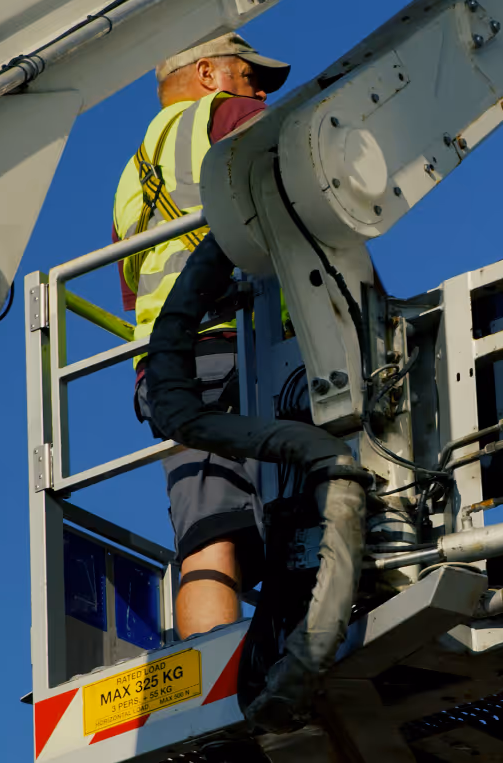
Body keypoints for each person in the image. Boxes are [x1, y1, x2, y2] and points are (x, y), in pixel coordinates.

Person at [112, 33, 290, 641]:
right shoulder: (224, 117)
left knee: (207, 536)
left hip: (170, 378)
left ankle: (212, 677)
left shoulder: (130, 177)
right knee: (300, 513)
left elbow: (136, 294)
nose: (259, 91)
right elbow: (309, 171)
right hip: (236, 349)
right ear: (210, 73)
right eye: (248, 76)